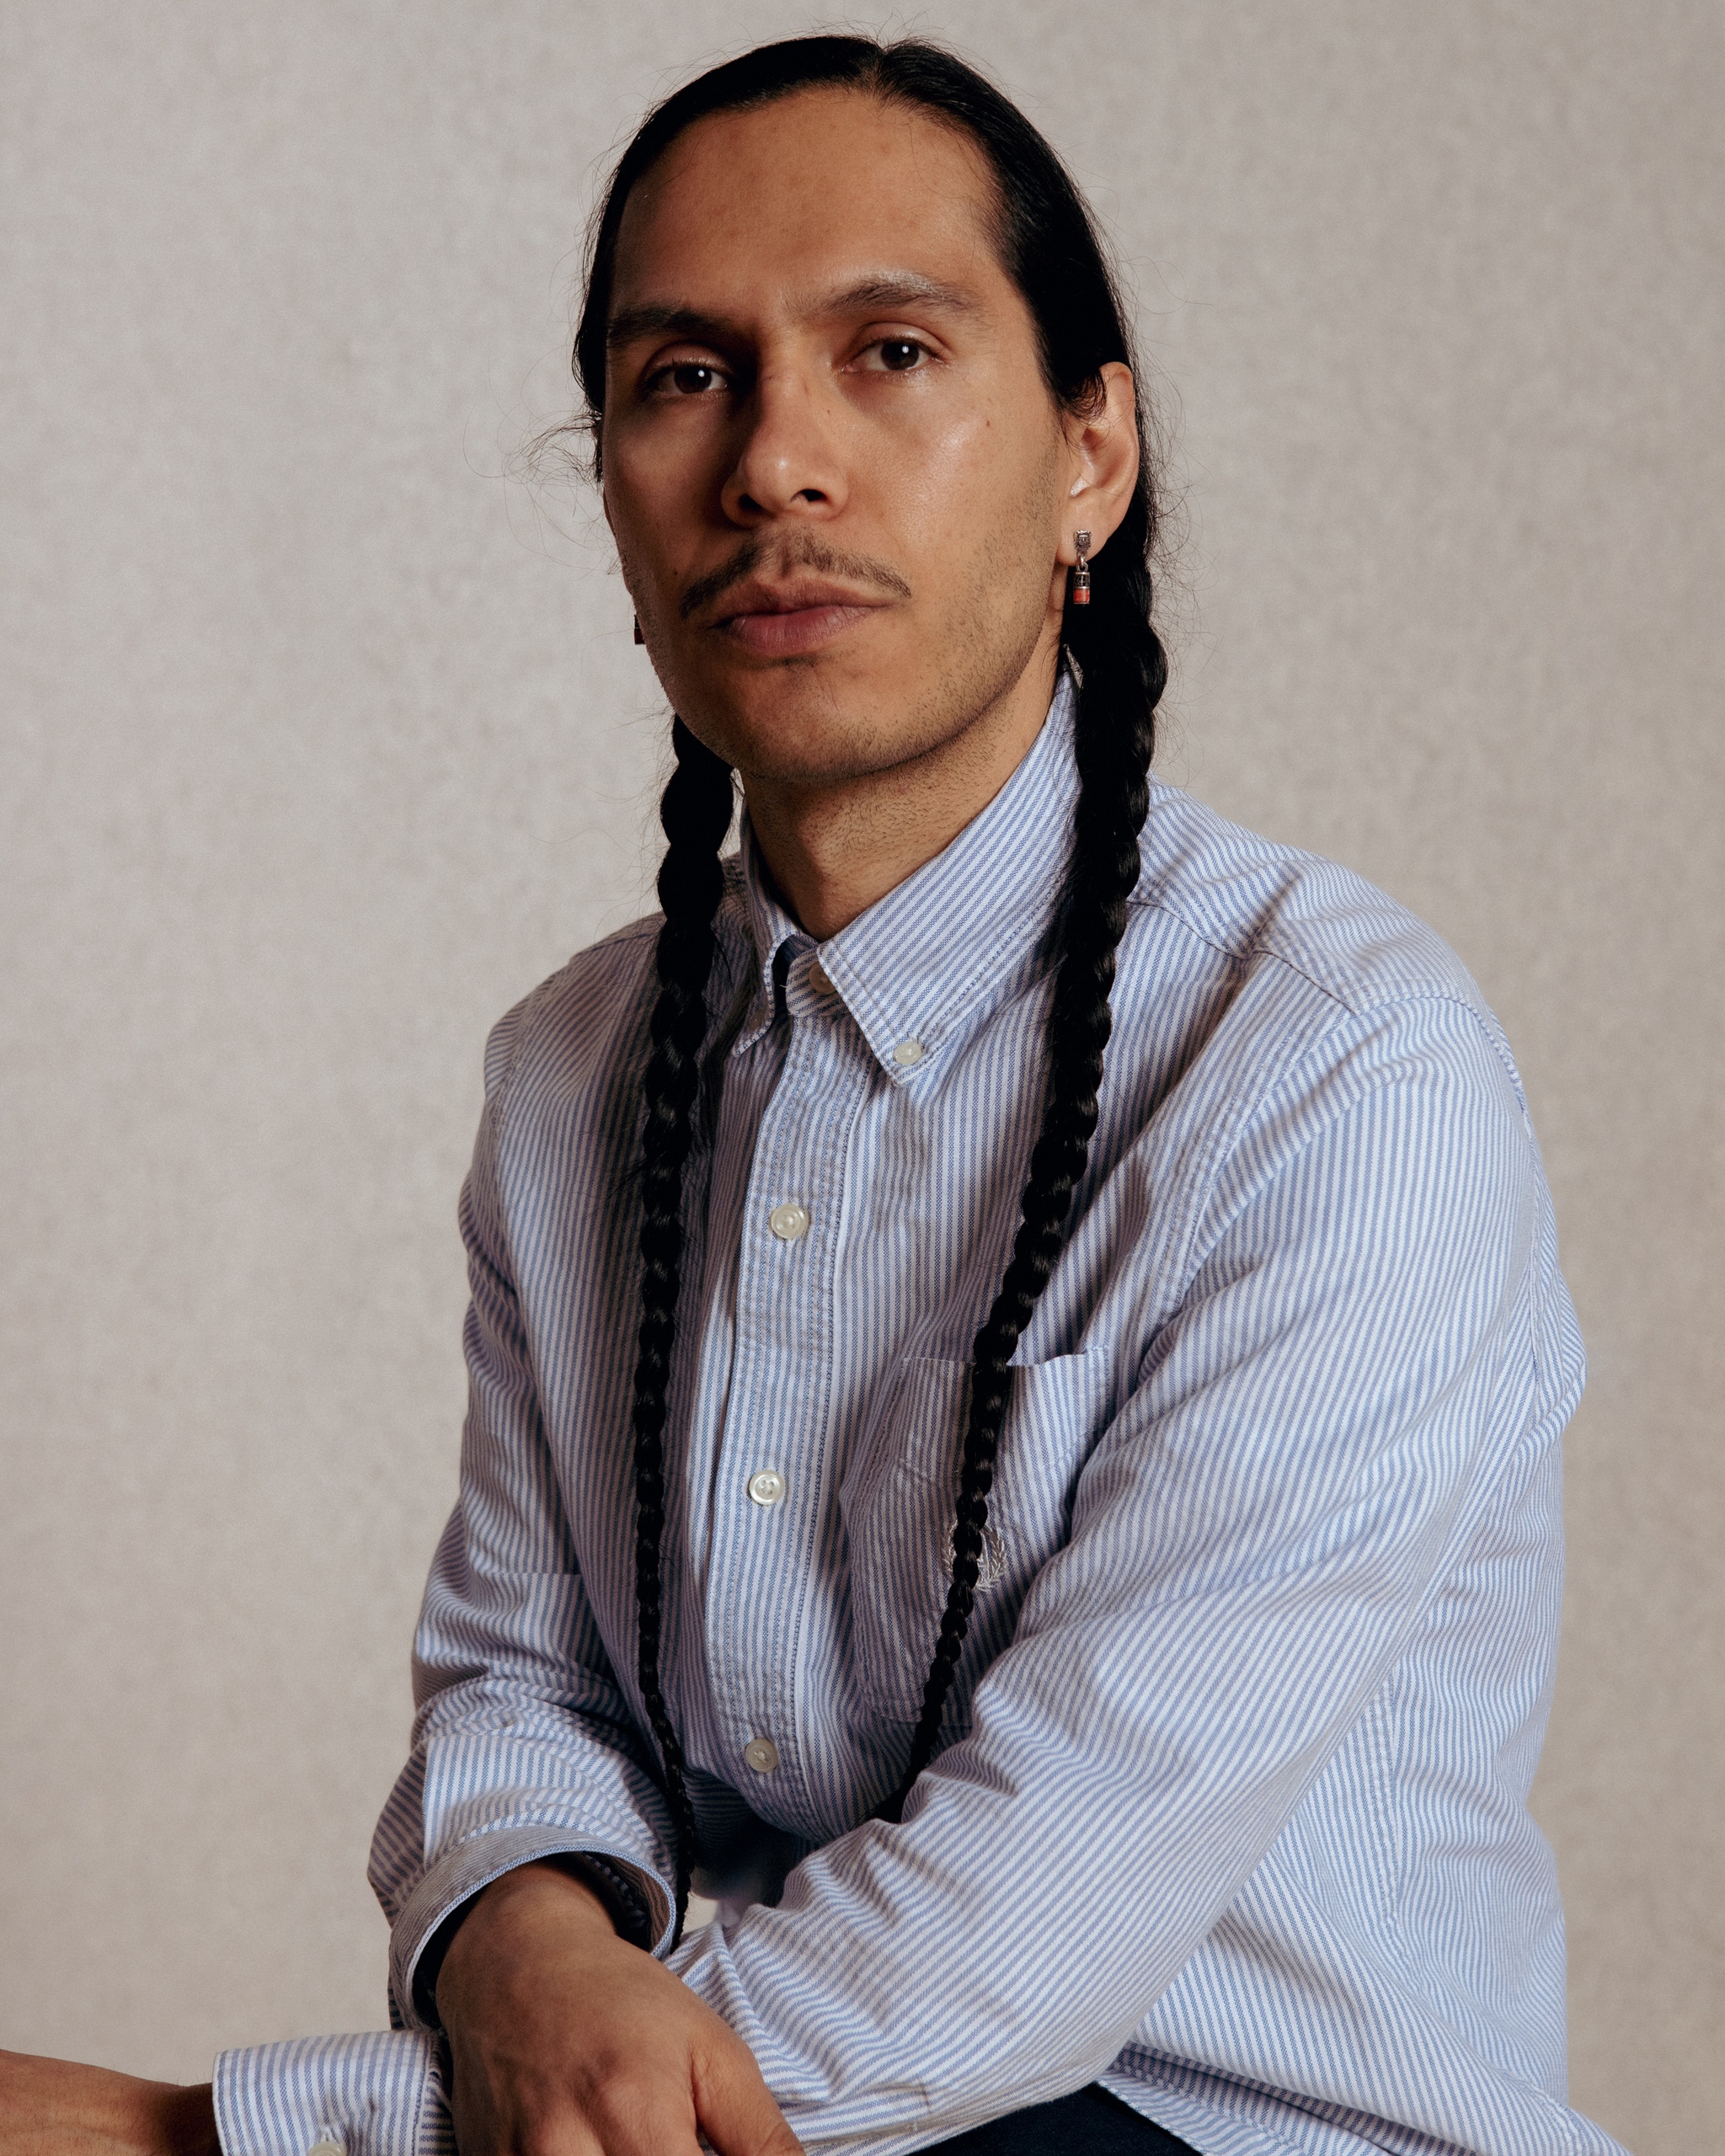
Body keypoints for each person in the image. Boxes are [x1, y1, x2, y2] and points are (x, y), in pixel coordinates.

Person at [1, 34, 1631, 2156]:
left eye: (887, 352)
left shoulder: (1335, 1074)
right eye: (684, 374)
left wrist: (185, 2134)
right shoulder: (574, 1077)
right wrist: (533, 1941)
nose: (775, 458)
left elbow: (995, 1953)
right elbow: (519, 1689)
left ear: (1089, 457)